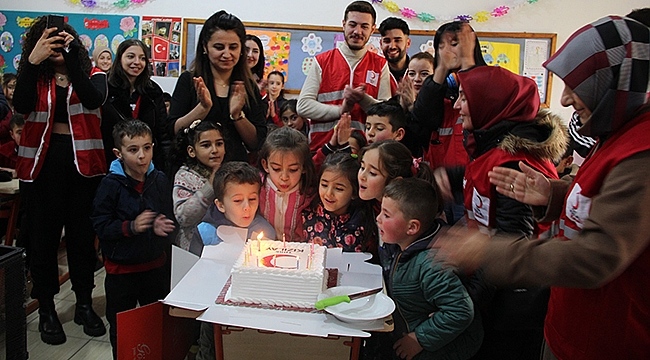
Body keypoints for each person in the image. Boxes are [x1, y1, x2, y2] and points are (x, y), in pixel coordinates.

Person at [441, 15, 650, 360]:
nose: (565, 100)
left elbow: (597, 257)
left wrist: (489, 252)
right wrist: (556, 194)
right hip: (570, 324)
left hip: (605, 341)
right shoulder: (615, 135)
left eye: (576, 86)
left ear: (611, 85)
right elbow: (602, 200)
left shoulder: (640, 151)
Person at [14, 16, 107, 345]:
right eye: (47, 37)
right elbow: (21, 105)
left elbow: (93, 99)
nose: (55, 42)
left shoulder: (94, 74)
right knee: (43, 239)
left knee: (83, 239)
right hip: (41, 167)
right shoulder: (34, 77)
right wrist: (31, 62)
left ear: (74, 41)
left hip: (84, 167)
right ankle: (48, 308)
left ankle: (83, 303)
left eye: (62, 37)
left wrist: (70, 58)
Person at [91, 120, 175, 358]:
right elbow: (101, 224)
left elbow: (168, 214)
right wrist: (131, 226)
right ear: (118, 153)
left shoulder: (158, 179)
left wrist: (160, 223)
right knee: (122, 329)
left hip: (154, 266)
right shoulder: (110, 184)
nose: (142, 156)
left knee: (155, 324)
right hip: (122, 272)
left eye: (147, 148)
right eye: (133, 149)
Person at [376, 178, 482, 360]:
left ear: (412, 227)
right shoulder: (399, 245)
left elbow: (461, 311)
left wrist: (419, 339)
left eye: (386, 215)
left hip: (441, 349)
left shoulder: (431, 264)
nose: (378, 218)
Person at [191, 161, 275, 360]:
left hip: (253, 316)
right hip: (213, 316)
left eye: (252, 199)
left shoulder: (264, 231)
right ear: (220, 204)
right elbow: (193, 278)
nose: (247, 207)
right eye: (238, 201)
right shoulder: (206, 232)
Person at [169, 11, 267, 164]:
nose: (227, 54)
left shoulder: (248, 86)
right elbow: (173, 130)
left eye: (233, 47)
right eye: (219, 47)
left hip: (234, 173)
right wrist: (202, 108)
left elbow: (256, 142)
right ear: (205, 47)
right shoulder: (189, 80)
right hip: (194, 172)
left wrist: (237, 115)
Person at [297, 0, 394, 152]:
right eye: (352, 24)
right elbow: (302, 106)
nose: (357, 31)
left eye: (364, 26)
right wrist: (340, 109)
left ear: (373, 29)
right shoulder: (321, 61)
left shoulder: (380, 64)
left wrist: (362, 99)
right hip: (322, 150)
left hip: (365, 154)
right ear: (343, 24)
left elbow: (387, 113)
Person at [102, 39, 170, 172]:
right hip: (111, 160)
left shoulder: (153, 91)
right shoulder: (105, 87)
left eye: (142, 58)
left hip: (146, 162)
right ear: (120, 58)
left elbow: (162, 132)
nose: (137, 62)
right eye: (130, 56)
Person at [302, 151, 374, 252]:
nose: (328, 194)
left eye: (339, 189)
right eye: (324, 185)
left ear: (354, 192)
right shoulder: (307, 214)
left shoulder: (363, 222)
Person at [172, 120, 225, 251]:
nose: (214, 150)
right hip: (194, 247)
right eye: (206, 145)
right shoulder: (185, 176)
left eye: (219, 144)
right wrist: (210, 188)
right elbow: (183, 217)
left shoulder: (227, 173)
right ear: (192, 151)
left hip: (222, 245)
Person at [258, 126, 317, 241]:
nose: (284, 177)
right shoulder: (256, 187)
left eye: (293, 169)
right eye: (276, 168)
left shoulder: (309, 194)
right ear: (265, 165)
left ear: (304, 167)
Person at [378, 17, 411, 82]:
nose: (392, 46)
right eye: (387, 41)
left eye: (397, 40)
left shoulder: (418, 72)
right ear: (381, 44)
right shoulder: (375, 72)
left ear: (408, 43)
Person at [0, 73, 17, 144]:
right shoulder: (2, 108)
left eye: (15, 87)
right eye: (10, 87)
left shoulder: (19, 108)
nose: (13, 91)